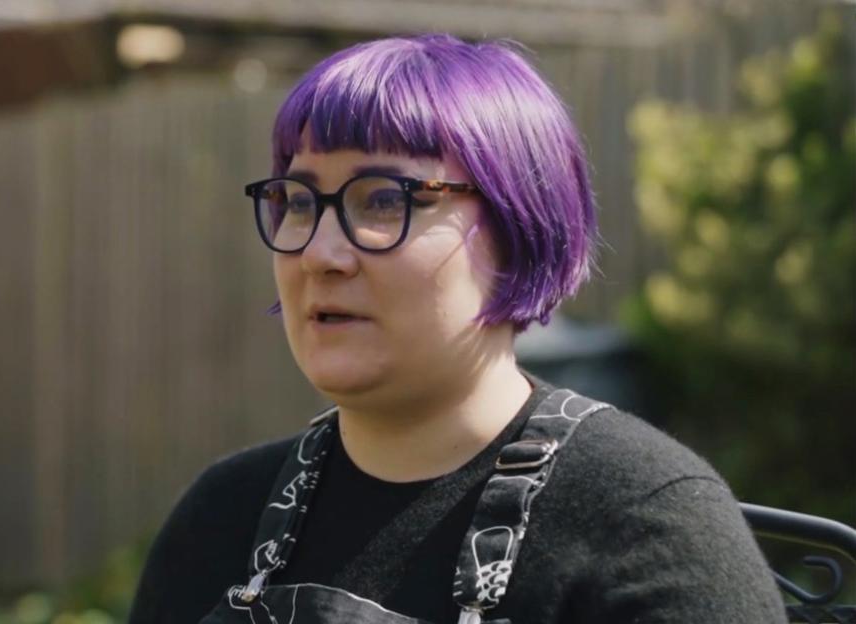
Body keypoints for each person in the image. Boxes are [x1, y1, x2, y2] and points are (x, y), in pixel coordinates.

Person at [129, 33, 787, 624]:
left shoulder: (641, 518)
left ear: (517, 226)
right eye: (299, 203)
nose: (320, 253)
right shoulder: (222, 518)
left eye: (384, 199)